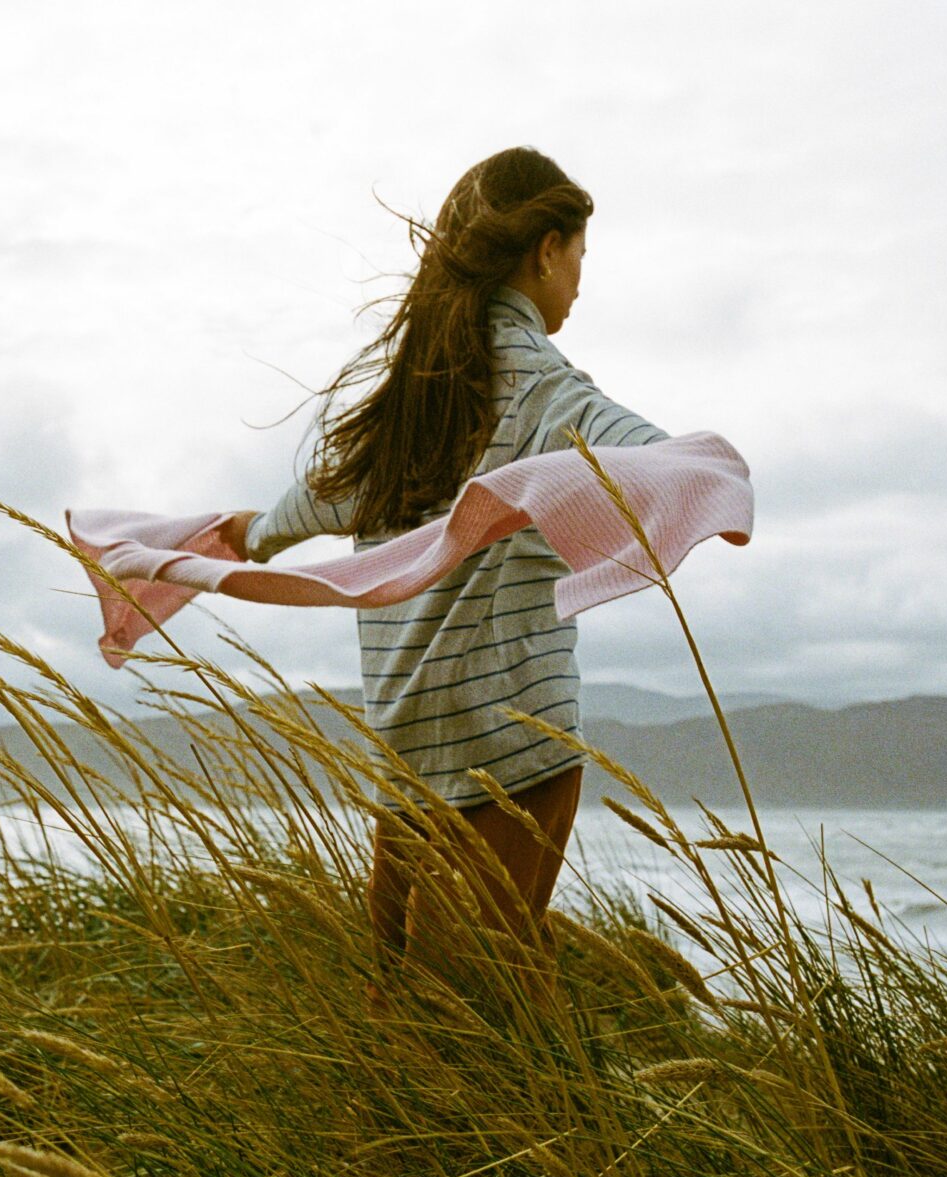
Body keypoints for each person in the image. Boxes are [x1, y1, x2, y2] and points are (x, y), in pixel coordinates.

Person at [215, 146, 666, 999]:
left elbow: (315, 500)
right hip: (468, 760)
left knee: (440, 1030)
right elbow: (647, 459)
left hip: (460, 755)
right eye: (578, 256)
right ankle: (572, 1128)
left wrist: (251, 534)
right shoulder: (535, 393)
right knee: (459, 1032)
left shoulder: (420, 395)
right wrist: (711, 472)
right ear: (543, 250)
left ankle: (563, 1127)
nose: (579, 279)